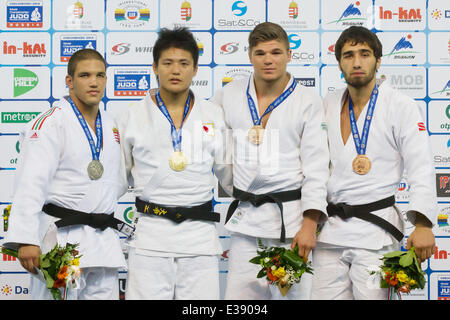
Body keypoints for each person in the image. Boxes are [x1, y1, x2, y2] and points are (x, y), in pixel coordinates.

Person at [312, 26, 437, 300]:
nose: (356, 62)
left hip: (376, 231)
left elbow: (421, 165)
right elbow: (314, 166)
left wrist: (424, 224)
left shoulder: (400, 105)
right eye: (348, 55)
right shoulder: (327, 104)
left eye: (365, 54)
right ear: (339, 64)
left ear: (378, 61)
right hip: (330, 233)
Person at [210, 22, 329, 300]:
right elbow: (220, 154)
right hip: (245, 224)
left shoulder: (307, 101)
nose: (268, 60)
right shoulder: (228, 95)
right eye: (260, 53)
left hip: (290, 227)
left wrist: (310, 224)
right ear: (250, 56)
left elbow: (317, 167)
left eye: (276, 52)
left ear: (289, 54)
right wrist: (240, 191)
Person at [2, 49, 128, 300]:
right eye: (85, 75)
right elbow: (30, 183)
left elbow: (116, 180)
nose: (94, 82)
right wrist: (26, 238)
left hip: (102, 243)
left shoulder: (111, 123)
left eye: (100, 75)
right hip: (62, 244)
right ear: (69, 81)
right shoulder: (51, 122)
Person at [118, 27, 232, 300]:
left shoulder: (213, 114)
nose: (175, 70)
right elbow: (118, 178)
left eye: (184, 63)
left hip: (200, 237)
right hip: (150, 237)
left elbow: (229, 176)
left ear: (195, 69)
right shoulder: (131, 116)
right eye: (167, 63)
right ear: (155, 67)